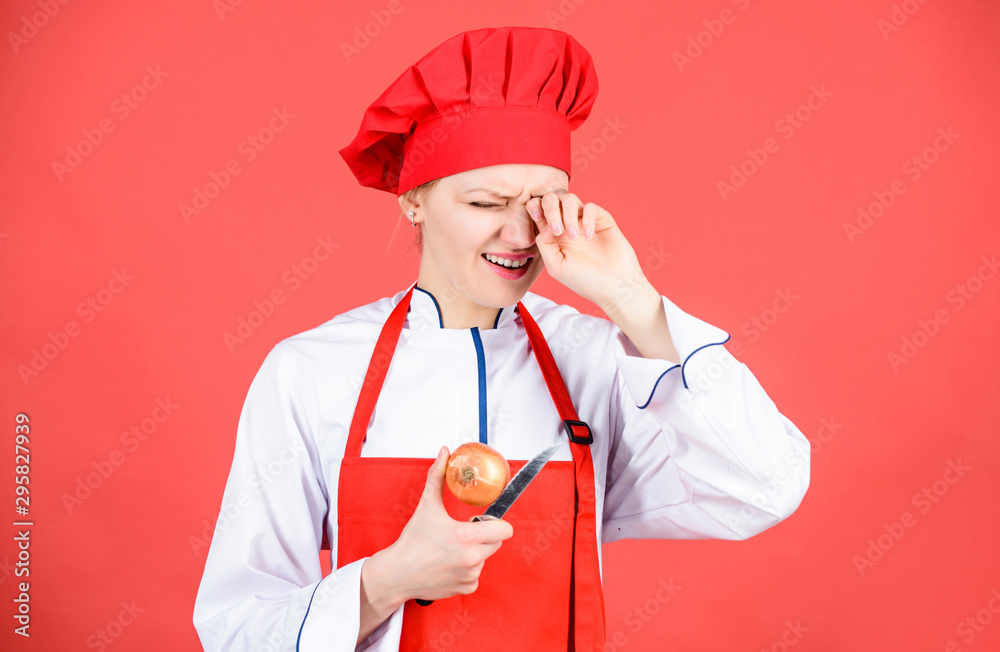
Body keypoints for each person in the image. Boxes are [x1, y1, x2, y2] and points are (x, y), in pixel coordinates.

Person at [192, 25, 810, 651]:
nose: (520, 234)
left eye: (545, 202)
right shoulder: (312, 372)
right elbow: (238, 630)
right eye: (487, 203)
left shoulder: (599, 360)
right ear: (413, 201)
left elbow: (764, 487)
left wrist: (632, 298)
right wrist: (384, 582)